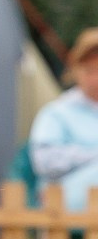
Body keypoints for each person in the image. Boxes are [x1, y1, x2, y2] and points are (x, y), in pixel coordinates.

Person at [28, 28, 98, 211]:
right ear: (75, 71)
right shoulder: (57, 113)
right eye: (90, 70)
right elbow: (44, 161)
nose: (96, 78)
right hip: (64, 204)